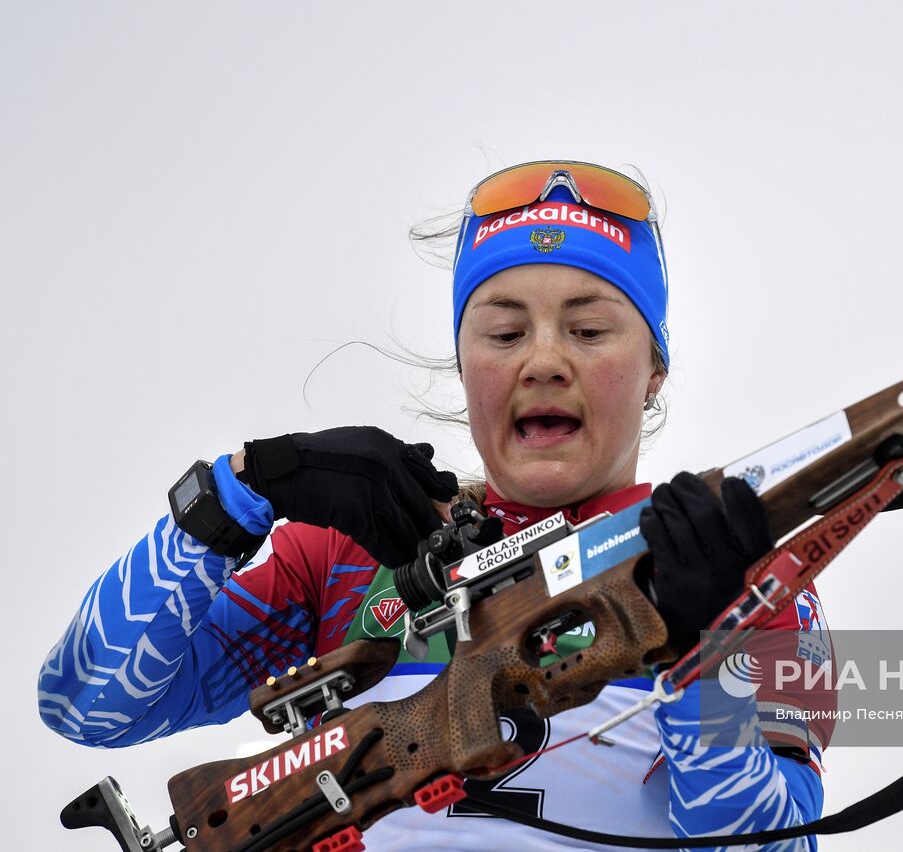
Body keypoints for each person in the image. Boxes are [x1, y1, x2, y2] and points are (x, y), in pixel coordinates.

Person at [38, 161, 835, 851]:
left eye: (590, 329)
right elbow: (83, 703)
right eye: (503, 332)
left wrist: (702, 660)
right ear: (462, 361)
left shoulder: (744, 570)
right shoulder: (347, 560)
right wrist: (241, 489)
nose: (545, 360)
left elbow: (775, 841)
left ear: (654, 368)